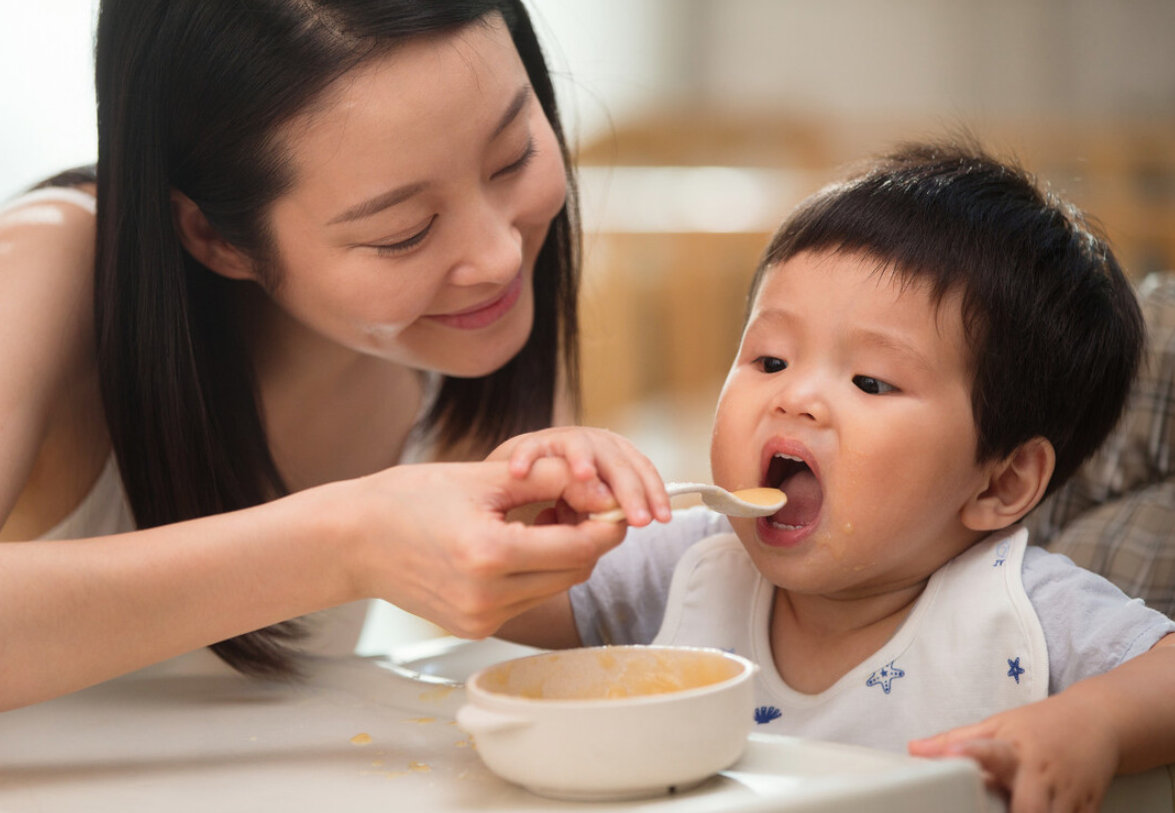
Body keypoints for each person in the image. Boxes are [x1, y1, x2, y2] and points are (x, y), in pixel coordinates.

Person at [0, 0, 639, 727]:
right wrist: (345, 542)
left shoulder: (454, 324)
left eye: (513, 157)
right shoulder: (46, 266)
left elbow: (545, 615)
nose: (501, 253)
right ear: (215, 236)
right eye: (402, 232)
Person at [492, 142, 1175, 813]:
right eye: (768, 359)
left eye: (869, 381)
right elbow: (499, 598)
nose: (794, 398)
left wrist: (1096, 724)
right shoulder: (689, 564)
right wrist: (523, 510)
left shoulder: (1019, 611)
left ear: (999, 483)